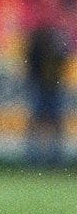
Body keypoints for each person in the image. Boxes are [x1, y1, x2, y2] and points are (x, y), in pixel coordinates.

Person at [23, 18, 70, 168]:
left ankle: (40, 158)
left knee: (45, 122)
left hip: (49, 86)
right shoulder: (51, 39)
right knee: (48, 122)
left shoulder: (43, 39)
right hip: (46, 85)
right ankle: (47, 158)